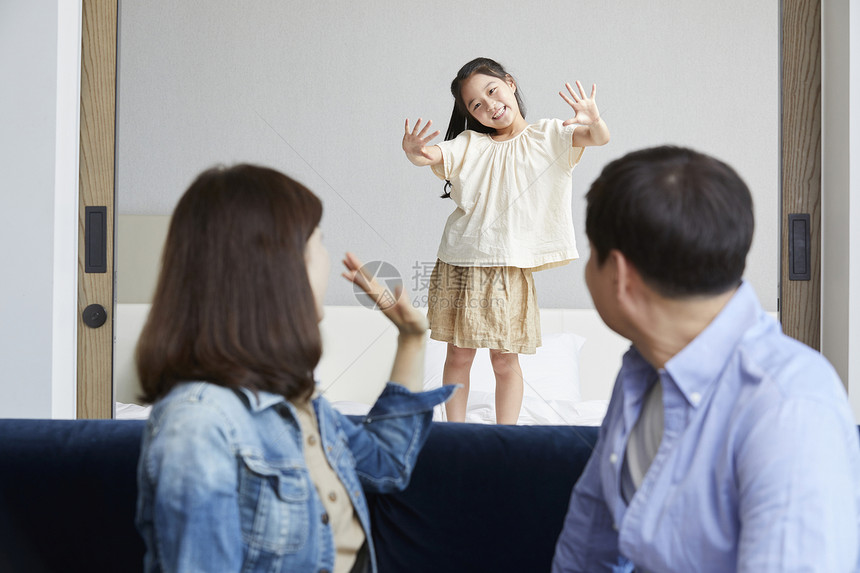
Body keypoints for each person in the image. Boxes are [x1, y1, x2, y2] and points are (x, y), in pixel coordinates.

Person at [134, 164, 455, 573]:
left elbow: (387, 466)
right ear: (279, 269)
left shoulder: (297, 398)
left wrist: (411, 338)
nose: (326, 262)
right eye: (318, 245)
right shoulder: (199, 425)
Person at [551, 146, 860, 572]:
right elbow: (592, 533)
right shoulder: (643, 368)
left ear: (619, 276)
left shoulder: (789, 408)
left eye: (591, 252)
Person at [402, 57, 610, 424]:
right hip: (460, 260)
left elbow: (596, 138)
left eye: (492, 90)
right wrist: (414, 150)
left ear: (510, 84)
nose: (489, 105)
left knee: (504, 358)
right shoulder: (469, 143)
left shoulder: (548, 135)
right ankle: (457, 432)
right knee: (459, 354)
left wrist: (593, 119)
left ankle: (507, 435)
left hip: (509, 265)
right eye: (476, 105)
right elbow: (430, 155)